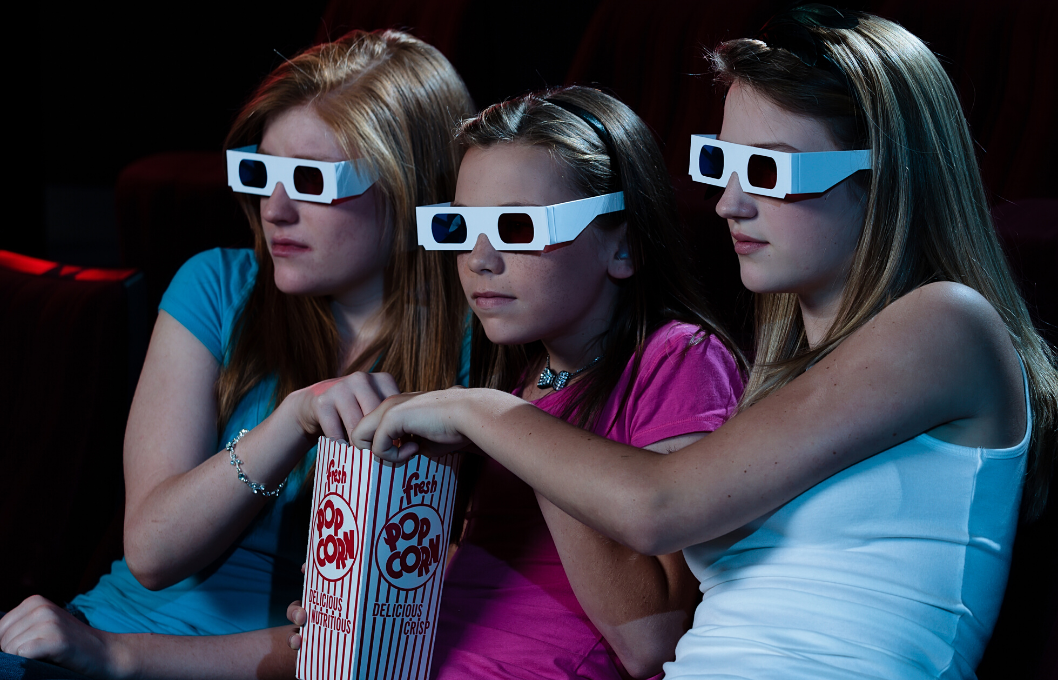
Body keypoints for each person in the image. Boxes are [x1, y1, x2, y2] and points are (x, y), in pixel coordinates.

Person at [351, 7, 1058, 680]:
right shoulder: (776, 385)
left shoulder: (950, 324)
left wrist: (479, 409)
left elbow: (659, 507)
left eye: (767, 171)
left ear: (885, 181)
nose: (728, 203)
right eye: (722, 163)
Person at [0, 29, 473, 680]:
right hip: (84, 644)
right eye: (263, 173)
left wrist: (120, 657)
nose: (274, 209)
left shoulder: (480, 350)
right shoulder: (219, 285)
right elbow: (153, 550)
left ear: (407, 186)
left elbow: (384, 638)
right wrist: (293, 419)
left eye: (310, 180)